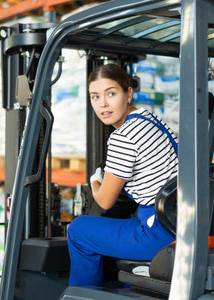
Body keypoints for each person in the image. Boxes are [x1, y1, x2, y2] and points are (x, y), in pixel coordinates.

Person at [67, 63, 178, 286]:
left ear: (128, 93)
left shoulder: (123, 137)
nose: (103, 104)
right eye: (95, 97)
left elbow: (105, 201)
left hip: (157, 233)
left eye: (111, 94)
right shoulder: (150, 119)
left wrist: (96, 180)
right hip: (176, 221)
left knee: (78, 230)